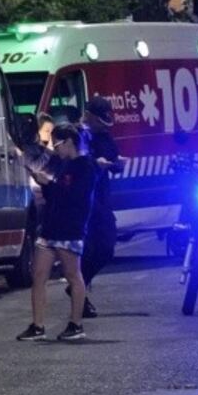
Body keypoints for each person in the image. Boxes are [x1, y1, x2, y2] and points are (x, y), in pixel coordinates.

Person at [17, 124, 96, 342]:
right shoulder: (64, 166)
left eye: (57, 144)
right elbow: (57, 195)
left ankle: (76, 324)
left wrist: (50, 185)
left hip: (70, 229)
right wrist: (45, 184)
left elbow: (75, 197)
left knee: (73, 275)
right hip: (51, 227)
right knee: (39, 274)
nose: (55, 149)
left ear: (69, 142)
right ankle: (38, 325)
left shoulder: (85, 167)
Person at [73, 96, 126, 318]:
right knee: (82, 251)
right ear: (90, 116)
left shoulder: (104, 135)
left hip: (101, 200)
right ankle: (80, 296)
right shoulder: (75, 135)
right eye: (99, 121)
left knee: (105, 247)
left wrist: (117, 163)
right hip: (79, 200)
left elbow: (113, 162)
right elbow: (69, 162)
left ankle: (77, 287)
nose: (102, 127)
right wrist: (94, 163)